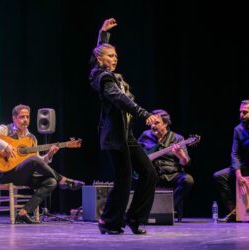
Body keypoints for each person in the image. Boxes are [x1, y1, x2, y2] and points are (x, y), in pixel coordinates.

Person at [89, 18, 158, 235]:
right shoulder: (101, 77)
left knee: (148, 173)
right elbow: (119, 99)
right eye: (110, 55)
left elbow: (100, 52)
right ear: (100, 59)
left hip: (126, 135)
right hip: (114, 137)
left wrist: (104, 34)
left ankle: (134, 218)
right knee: (124, 178)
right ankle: (108, 221)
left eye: (116, 56)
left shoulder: (112, 76)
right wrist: (143, 113)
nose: (115, 59)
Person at [0, 104, 84, 224]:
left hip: (25, 176)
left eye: (27, 117)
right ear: (14, 118)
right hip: (8, 173)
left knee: (51, 182)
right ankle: (64, 180)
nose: (25, 120)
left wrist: (49, 155)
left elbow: (39, 161)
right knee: (34, 160)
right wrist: (5, 145)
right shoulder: (5, 129)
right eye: (22, 117)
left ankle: (23, 213)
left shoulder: (32, 138)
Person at [138, 109, 194, 210]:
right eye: (151, 123)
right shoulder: (145, 136)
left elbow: (185, 163)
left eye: (157, 123)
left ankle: (168, 209)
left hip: (171, 174)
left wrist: (181, 156)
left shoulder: (178, 139)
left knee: (188, 180)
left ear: (165, 124)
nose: (153, 126)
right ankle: (141, 211)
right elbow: (136, 155)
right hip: (153, 174)